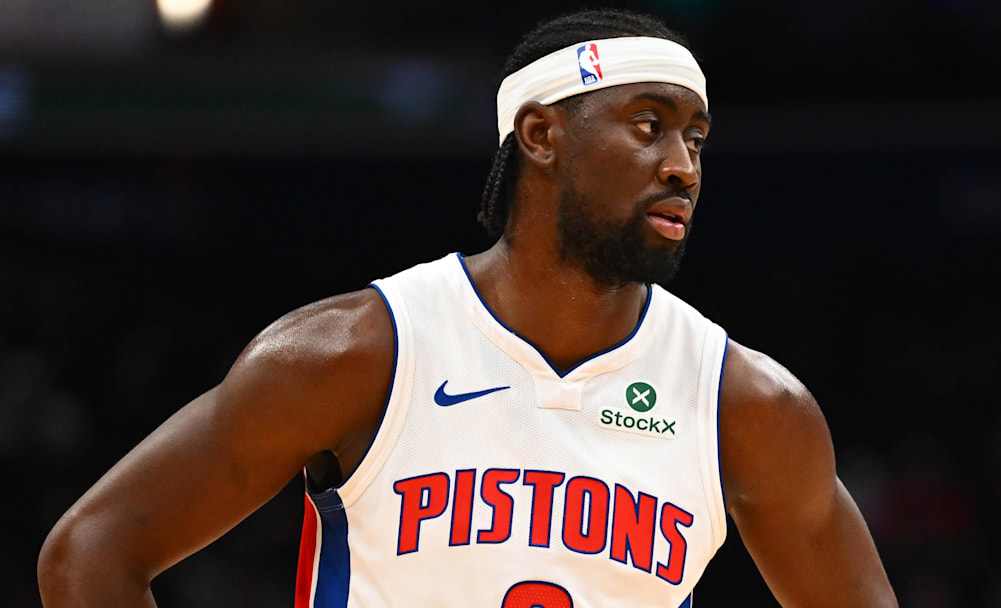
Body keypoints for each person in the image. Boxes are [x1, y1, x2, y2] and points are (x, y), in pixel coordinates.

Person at [38, 8, 898, 607]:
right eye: (648, 125)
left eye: (696, 138)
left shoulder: (746, 405)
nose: (684, 165)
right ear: (540, 135)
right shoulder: (357, 354)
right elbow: (91, 554)